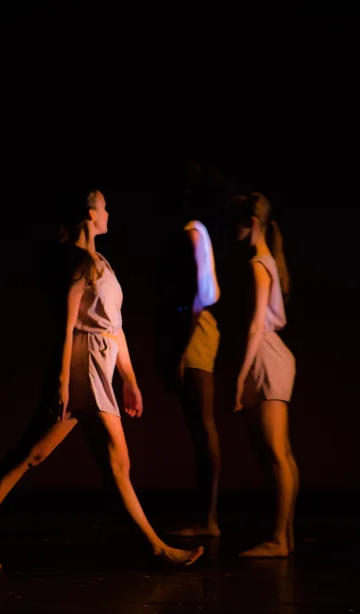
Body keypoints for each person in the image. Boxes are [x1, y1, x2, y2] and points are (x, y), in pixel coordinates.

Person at [0, 188, 203, 568]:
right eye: (104, 206)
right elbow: (65, 327)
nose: (109, 212)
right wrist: (61, 382)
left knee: (32, 454)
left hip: (101, 363)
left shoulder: (103, 263)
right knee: (116, 463)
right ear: (90, 213)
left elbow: (115, 328)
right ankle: (157, 548)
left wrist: (129, 379)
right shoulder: (78, 263)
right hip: (84, 365)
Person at [221, 192, 299, 557]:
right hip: (271, 354)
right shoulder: (268, 260)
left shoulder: (258, 263)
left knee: (275, 454)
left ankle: (279, 538)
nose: (231, 230)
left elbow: (256, 325)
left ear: (251, 223)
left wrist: (240, 377)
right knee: (281, 453)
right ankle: (285, 536)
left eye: (235, 222)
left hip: (266, 356)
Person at [161, 163, 223, 538]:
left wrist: (180, 354)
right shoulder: (194, 231)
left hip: (196, 332)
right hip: (194, 329)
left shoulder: (192, 233)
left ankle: (208, 519)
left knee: (203, 425)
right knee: (200, 427)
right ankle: (206, 516)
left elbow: (198, 296)